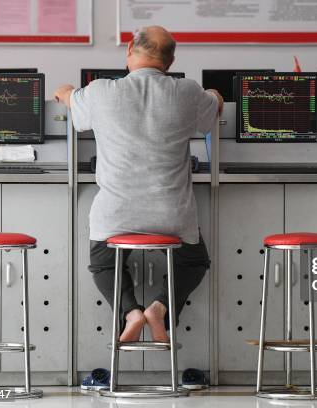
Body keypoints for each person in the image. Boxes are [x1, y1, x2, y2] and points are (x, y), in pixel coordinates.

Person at [54, 26, 223, 343]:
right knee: (194, 260)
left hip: (115, 214)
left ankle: (130, 312)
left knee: (102, 264)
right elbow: (212, 111)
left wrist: (64, 92)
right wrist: (214, 95)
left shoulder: (100, 91)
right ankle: (159, 308)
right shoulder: (187, 92)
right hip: (172, 215)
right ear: (170, 62)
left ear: (130, 48)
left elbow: (71, 105)